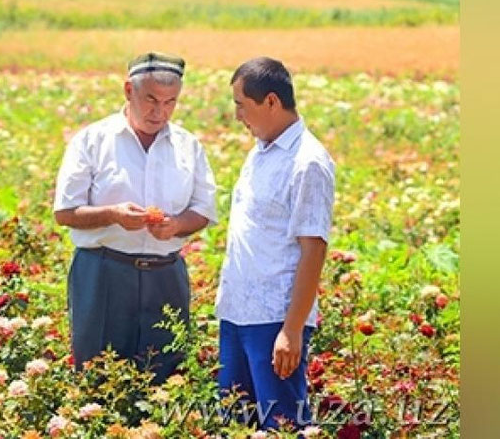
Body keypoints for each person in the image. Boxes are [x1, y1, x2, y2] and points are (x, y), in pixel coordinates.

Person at [53, 52, 217, 383]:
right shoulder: (93, 140)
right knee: (99, 379)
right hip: (104, 273)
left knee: (166, 378)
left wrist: (177, 225)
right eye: (151, 100)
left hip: (165, 277)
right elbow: (65, 212)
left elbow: (203, 210)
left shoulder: (188, 146)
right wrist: (112, 215)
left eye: (170, 102)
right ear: (129, 90)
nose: (160, 112)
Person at [216, 57, 335, 431]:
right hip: (237, 312)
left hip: (274, 320)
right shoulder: (261, 151)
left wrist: (292, 329)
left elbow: (313, 249)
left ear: (270, 101)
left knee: (281, 426)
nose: (237, 116)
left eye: (241, 105)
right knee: (235, 423)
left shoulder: (307, 162)